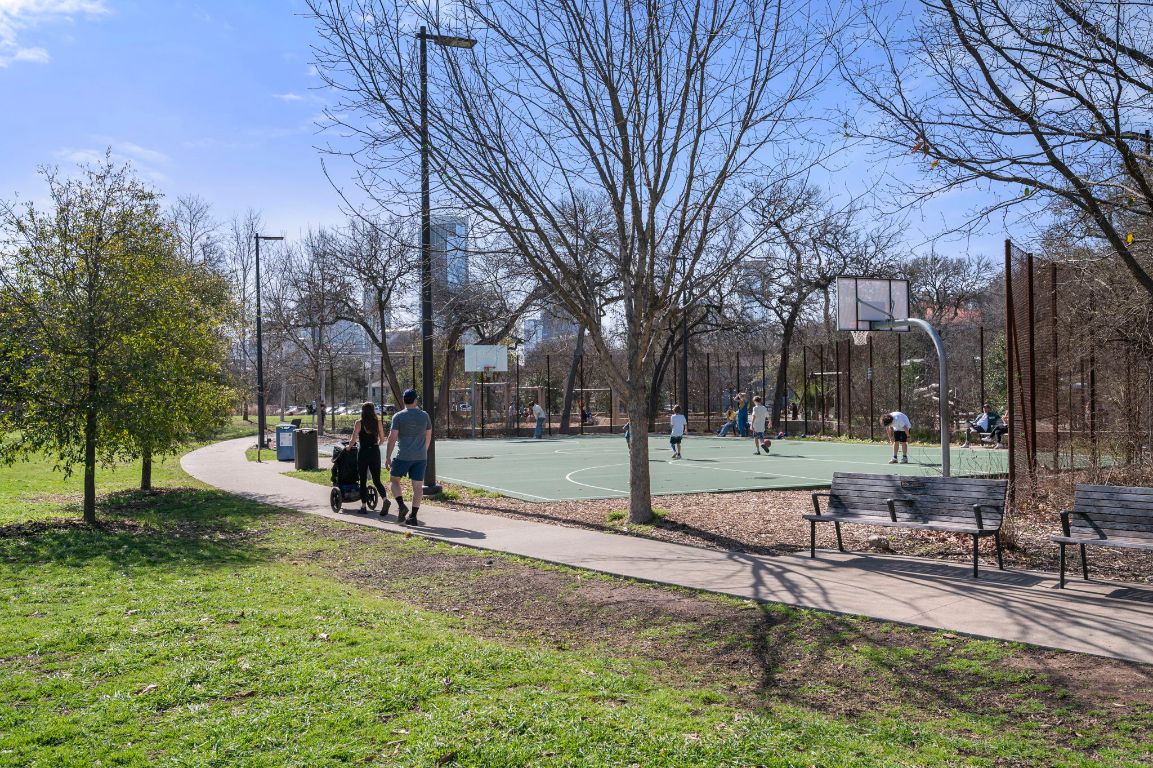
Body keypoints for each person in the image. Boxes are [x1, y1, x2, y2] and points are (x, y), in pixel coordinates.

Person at [385, 389, 433, 526]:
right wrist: (424, 451)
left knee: (394, 480)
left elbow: (392, 438)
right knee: (418, 486)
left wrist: (388, 456)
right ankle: (413, 516)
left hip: (403, 456)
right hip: (420, 456)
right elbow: (428, 435)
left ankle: (401, 506)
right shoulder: (425, 416)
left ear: (404, 400)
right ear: (415, 400)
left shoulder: (398, 416)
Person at [349, 402, 391, 516]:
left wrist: (348, 448)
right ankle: (385, 499)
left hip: (363, 452)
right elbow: (382, 439)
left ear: (363, 411)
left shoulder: (359, 423)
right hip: (374, 451)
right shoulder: (378, 423)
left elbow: (353, 439)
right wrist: (377, 443)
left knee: (362, 480)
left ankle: (363, 506)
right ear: (373, 411)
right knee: (376, 480)